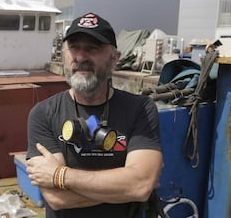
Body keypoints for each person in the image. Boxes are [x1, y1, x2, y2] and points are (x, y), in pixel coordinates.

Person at [26, 12, 163, 218]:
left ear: (114, 58)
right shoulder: (43, 114)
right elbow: (56, 199)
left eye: (93, 48)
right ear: (64, 53)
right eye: (74, 48)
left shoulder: (140, 108)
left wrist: (60, 175)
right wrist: (126, 188)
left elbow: (141, 186)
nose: (81, 57)